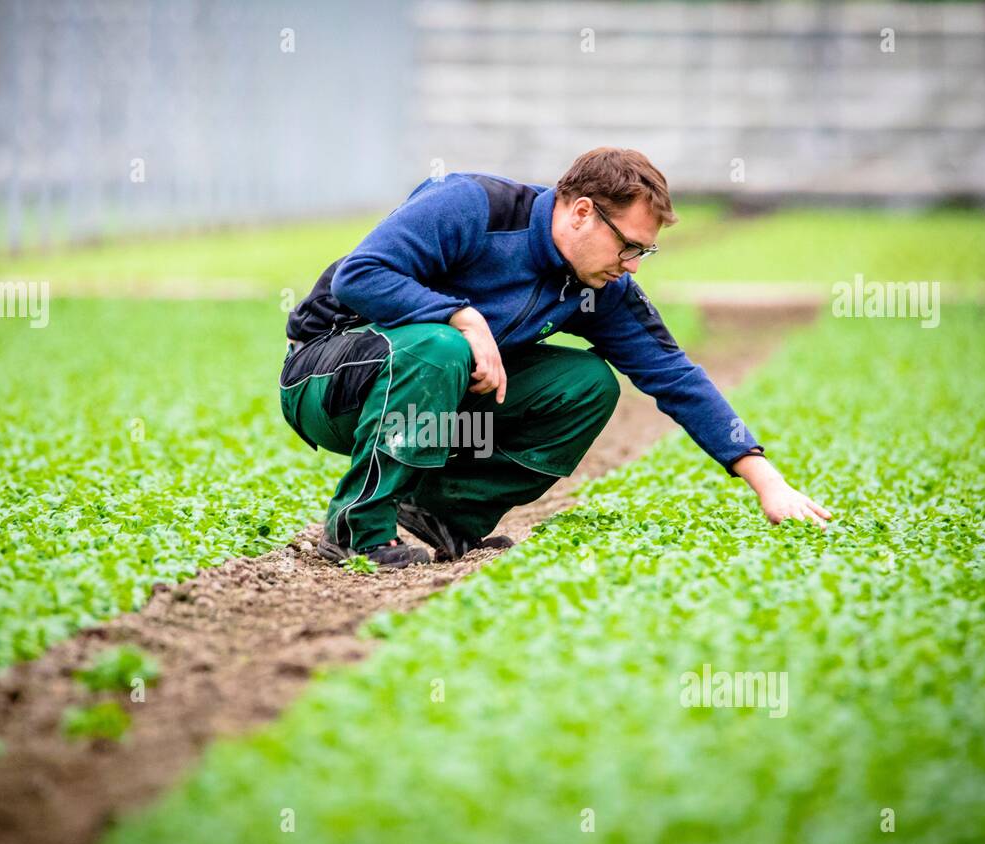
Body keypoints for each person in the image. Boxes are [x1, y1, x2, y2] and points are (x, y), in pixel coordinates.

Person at [280, 147, 831, 568]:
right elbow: (360, 276)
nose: (634, 265)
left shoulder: (599, 286)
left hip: (434, 393)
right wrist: (463, 316)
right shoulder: (472, 204)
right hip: (329, 375)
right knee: (441, 345)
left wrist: (767, 481)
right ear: (583, 213)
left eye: (646, 251)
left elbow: (674, 374)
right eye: (629, 246)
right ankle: (359, 529)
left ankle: (440, 519)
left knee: (588, 383)